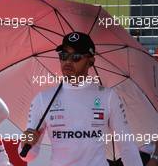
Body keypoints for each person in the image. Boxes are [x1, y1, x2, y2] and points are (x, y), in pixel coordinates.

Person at [18, 32, 143, 166]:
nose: (68, 61)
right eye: (63, 55)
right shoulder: (43, 99)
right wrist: (25, 143)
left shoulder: (108, 96)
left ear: (91, 61)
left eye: (76, 57)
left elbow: (127, 145)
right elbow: (27, 156)